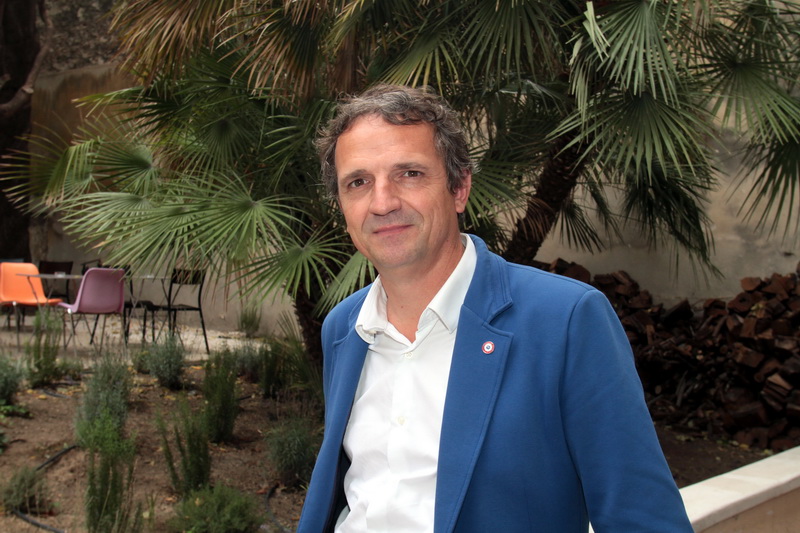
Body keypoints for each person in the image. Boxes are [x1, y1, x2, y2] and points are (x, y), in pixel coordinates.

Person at [296, 84, 692, 533]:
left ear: (459, 188)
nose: (382, 202)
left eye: (409, 173)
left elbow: (642, 517)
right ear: (342, 206)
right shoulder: (343, 329)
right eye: (359, 182)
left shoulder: (565, 320)